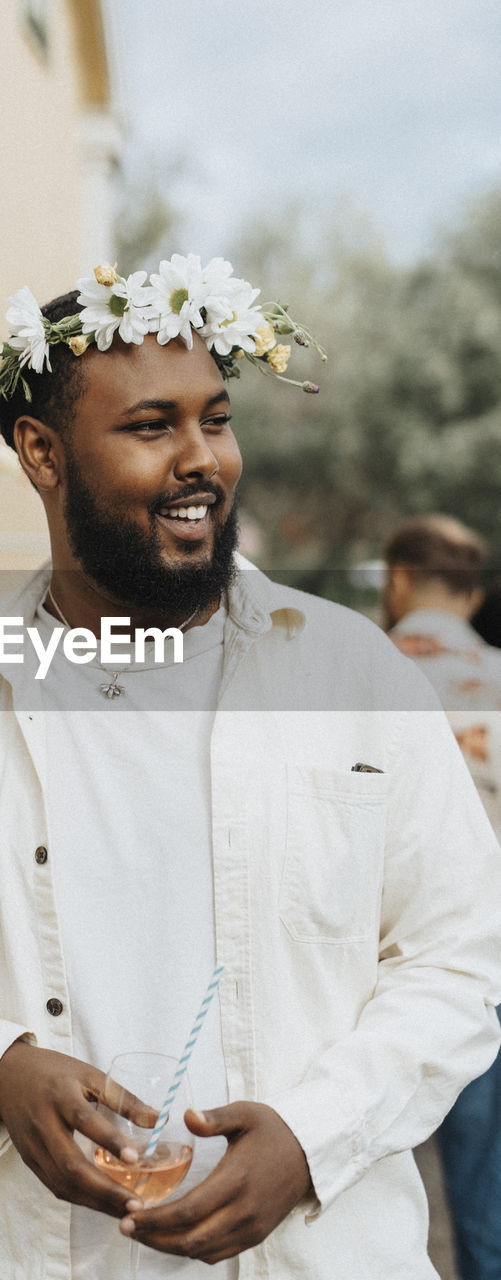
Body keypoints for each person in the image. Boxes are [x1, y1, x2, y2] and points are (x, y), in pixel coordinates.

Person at [0, 256, 501, 1279]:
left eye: (214, 418)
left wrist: (310, 1137)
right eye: (149, 425)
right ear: (39, 451)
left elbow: (458, 958)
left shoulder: (354, 671)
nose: (199, 457)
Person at [383, 513, 501, 1280]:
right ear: (473, 592)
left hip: (375, 964)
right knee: (485, 1186)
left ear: (397, 581)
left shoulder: (356, 677)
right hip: (488, 959)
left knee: (350, 1178)